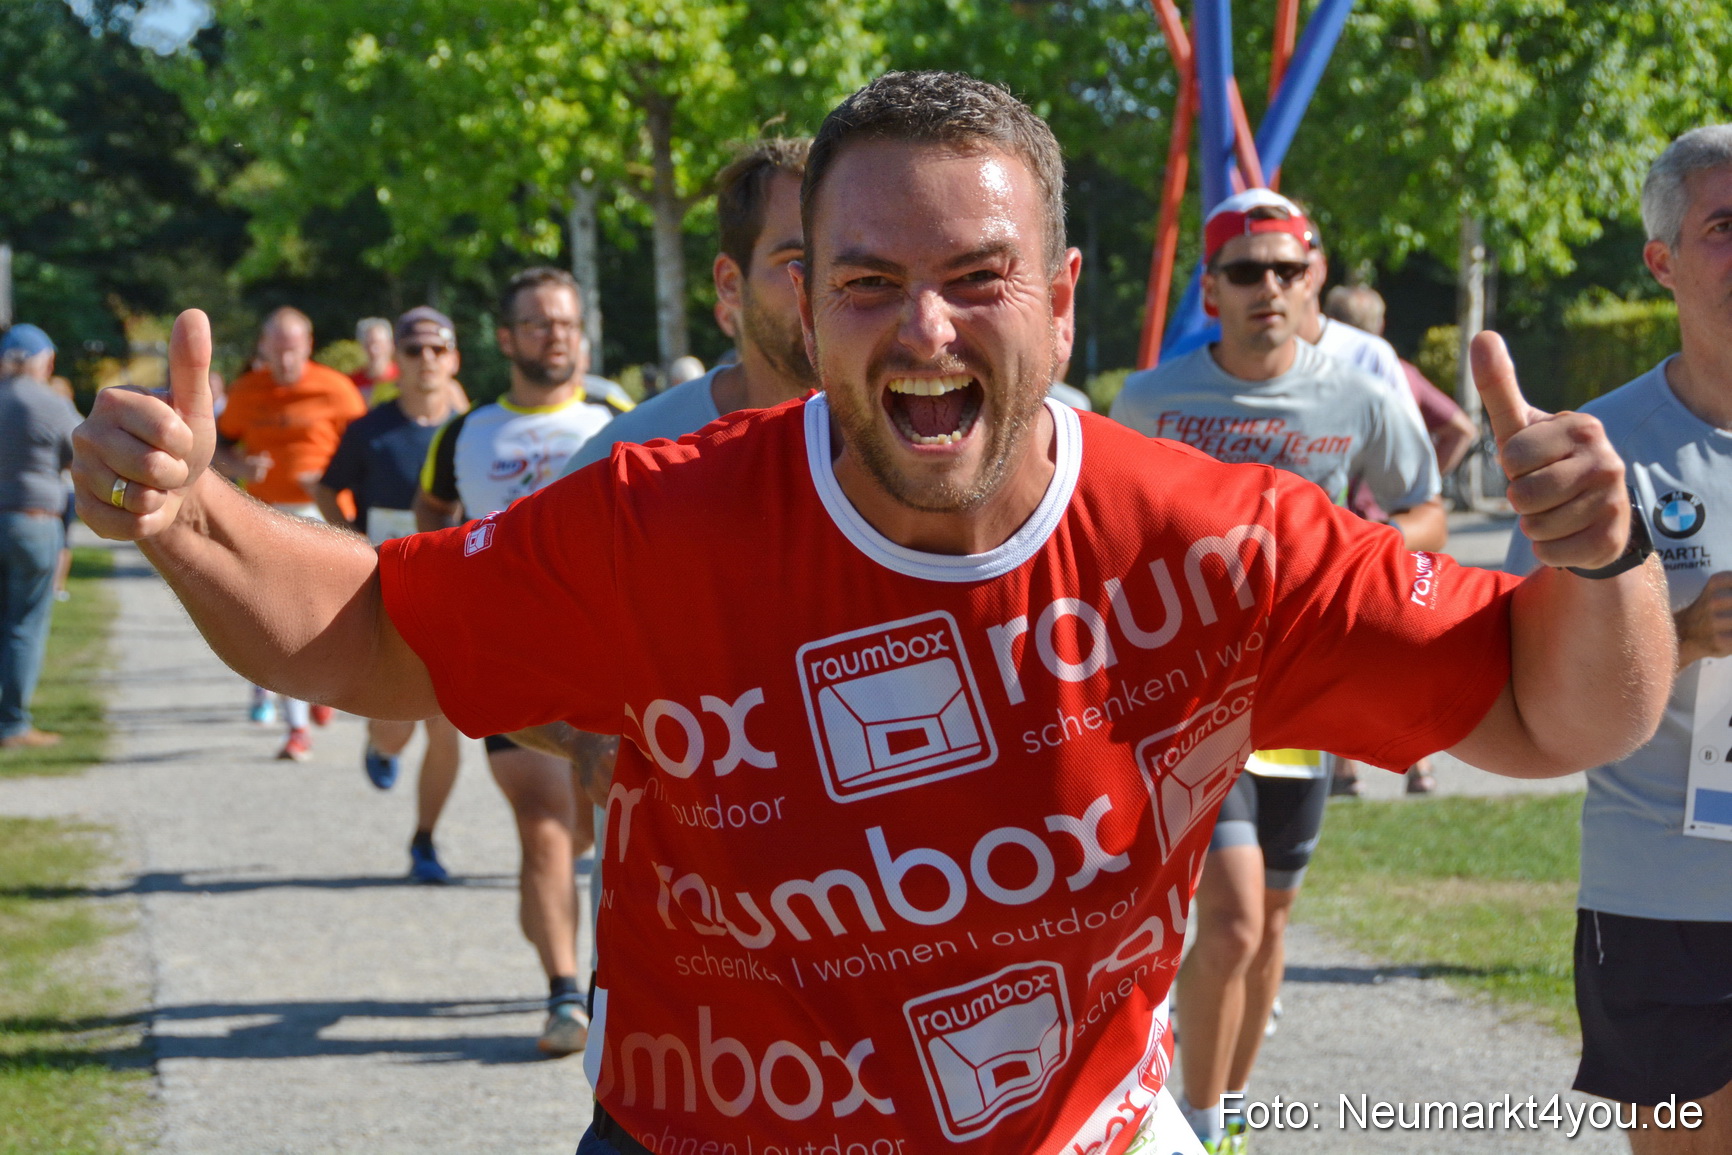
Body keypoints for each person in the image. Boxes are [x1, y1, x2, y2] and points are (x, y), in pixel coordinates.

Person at [73, 71, 1671, 1155]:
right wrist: (190, 508)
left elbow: (1561, 711)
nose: (922, 326)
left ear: (1062, 295)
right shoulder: (666, 519)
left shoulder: (1219, 540)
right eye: (864, 280)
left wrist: (1607, 562)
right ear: (799, 299)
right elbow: (365, 632)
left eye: (978, 275)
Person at [1109, 187, 1445, 1152]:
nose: (1269, 288)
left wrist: (1361, 546)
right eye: (1246, 271)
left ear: (1316, 279)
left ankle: (1227, 1114)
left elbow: (1425, 510)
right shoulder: (1153, 402)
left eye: (1287, 270)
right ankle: (1197, 1117)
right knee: (1233, 920)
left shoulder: (1360, 393)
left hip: (1306, 698)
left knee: (1272, 924)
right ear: (1209, 287)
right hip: (1190, 702)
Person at [1506, 125, 1732, 1155]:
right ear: (1661, 261)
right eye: (1724, 228)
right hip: (1664, 899)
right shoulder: (1598, 456)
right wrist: (1679, 637)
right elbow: (1531, 696)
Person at [414, 266, 631, 1058]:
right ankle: (566, 994)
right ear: (506, 339)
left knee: (583, 827)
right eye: (538, 324)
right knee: (542, 826)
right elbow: (432, 513)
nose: (556, 336)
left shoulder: (621, 417)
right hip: (516, 667)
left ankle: (560, 936)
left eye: (568, 322)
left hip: (612, 665)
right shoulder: (465, 433)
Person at [314, 306, 464, 884]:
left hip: (458, 596)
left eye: (437, 348)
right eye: (413, 350)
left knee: (447, 721)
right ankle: (381, 749)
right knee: (396, 721)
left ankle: (425, 840)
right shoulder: (370, 430)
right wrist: (351, 541)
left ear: (454, 358)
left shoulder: (471, 428)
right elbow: (329, 490)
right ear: (395, 361)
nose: (425, 359)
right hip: (387, 592)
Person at [1327, 281, 1479, 796]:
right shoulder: (1404, 375)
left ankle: (1346, 772)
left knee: (1338, 659)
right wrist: (1426, 484)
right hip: (1401, 533)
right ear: (1382, 324)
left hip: (1347, 535)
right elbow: (1460, 426)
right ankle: (1421, 768)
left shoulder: (1329, 380)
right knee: (1407, 655)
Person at [215, 307, 366, 761]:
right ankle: (296, 725)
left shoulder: (335, 389)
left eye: (293, 348)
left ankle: (323, 689)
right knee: (279, 615)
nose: (284, 358)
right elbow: (217, 445)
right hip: (264, 514)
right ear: (263, 347)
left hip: (325, 515)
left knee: (330, 616)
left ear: (308, 344)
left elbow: (366, 447)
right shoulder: (246, 390)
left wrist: (333, 476)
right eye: (276, 348)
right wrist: (239, 466)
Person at [0, 324, 80, 749]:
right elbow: (81, 452)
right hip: (32, 524)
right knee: (24, 625)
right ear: (39, 361)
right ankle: (12, 724)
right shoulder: (49, 403)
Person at [350, 317, 398, 406]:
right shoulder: (351, 383)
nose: (373, 350)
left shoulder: (404, 377)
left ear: (391, 345)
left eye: (379, 343)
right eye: (368, 344)